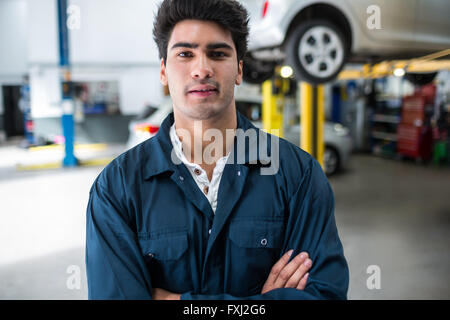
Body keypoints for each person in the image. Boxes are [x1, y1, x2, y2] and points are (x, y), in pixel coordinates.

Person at [85, 0, 349, 300]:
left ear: (238, 70)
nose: (202, 69)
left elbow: (325, 295)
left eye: (217, 53)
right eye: (185, 54)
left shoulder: (298, 176)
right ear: (163, 71)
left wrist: (174, 300)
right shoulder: (117, 187)